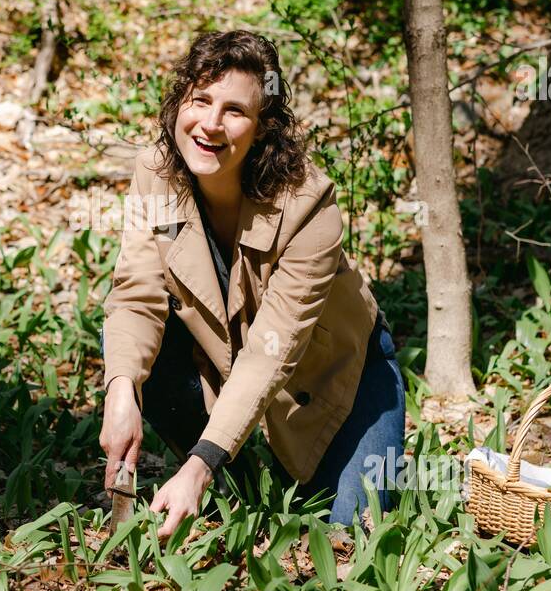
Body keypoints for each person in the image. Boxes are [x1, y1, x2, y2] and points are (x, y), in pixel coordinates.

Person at [99, 30, 406, 540]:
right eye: (200, 100)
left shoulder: (309, 205)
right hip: (224, 363)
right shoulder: (155, 173)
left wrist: (197, 468)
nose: (210, 124)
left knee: (350, 536)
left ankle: (211, 469)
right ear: (179, 102)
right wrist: (122, 391)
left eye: (235, 111)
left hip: (339, 377)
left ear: (263, 128)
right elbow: (136, 293)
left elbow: (271, 352)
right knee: (123, 348)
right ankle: (232, 477)